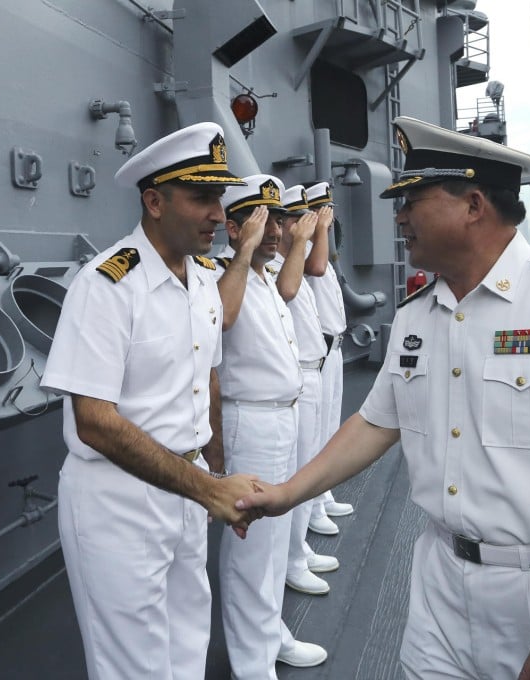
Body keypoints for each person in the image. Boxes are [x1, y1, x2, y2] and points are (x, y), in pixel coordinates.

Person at [237, 116, 530, 680]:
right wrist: (286, 494)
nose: (399, 216)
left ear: (474, 204)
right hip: (440, 589)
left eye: (413, 200)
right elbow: (377, 422)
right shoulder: (417, 314)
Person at [39, 122, 262, 680]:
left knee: (188, 639)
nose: (219, 213)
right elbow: (94, 423)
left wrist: (215, 464)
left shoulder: (204, 281)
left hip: (184, 489)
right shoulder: (107, 284)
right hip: (120, 498)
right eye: (203, 197)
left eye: (220, 197)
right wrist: (210, 488)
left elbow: (204, 372)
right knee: (133, 664)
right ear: (155, 201)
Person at [211, 175, 327, 677]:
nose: (276, 230)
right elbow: (221, 318)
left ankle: (271, 635)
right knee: (251, 555)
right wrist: (243, 254)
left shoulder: (264, 275)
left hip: (282, 417)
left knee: (275, 546)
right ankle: (252, 665)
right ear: (233, 230)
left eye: (278, 219)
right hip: (249, 424)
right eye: (263, 221)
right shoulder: (221, 271)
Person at [276, 184, 342, 597]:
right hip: (297, 375)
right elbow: (305, 276)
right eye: (298, 217)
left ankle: (298, 546)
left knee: (317, 450)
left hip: (320, 361)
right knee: (300, 465)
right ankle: (294, 556)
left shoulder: (293, 259)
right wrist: (313, 233)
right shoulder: (285, 265)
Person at [303, 181, 355, 534]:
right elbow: (317, 268)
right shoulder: (306, 251)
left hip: (332, 350)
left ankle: (322, 495)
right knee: (315, 436)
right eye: (324, 213)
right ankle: (312, 506)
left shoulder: (320, 247)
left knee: (328, 431)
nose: (329, 220)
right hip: (317, 355)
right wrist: (320, 228)